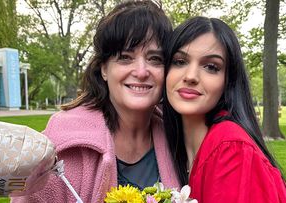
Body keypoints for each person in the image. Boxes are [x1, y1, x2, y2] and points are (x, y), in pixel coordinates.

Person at [11, 1, 179, 202]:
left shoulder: (178, 137)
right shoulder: (62, 147)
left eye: (155, 59)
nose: (142, 72)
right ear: (104, 69)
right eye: (125, 57)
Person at [163, 16, 286, 203]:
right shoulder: (172, 149)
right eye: (179, 61)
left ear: (228, 82)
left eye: (211, 67)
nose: (191, 76)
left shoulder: (231, 150)